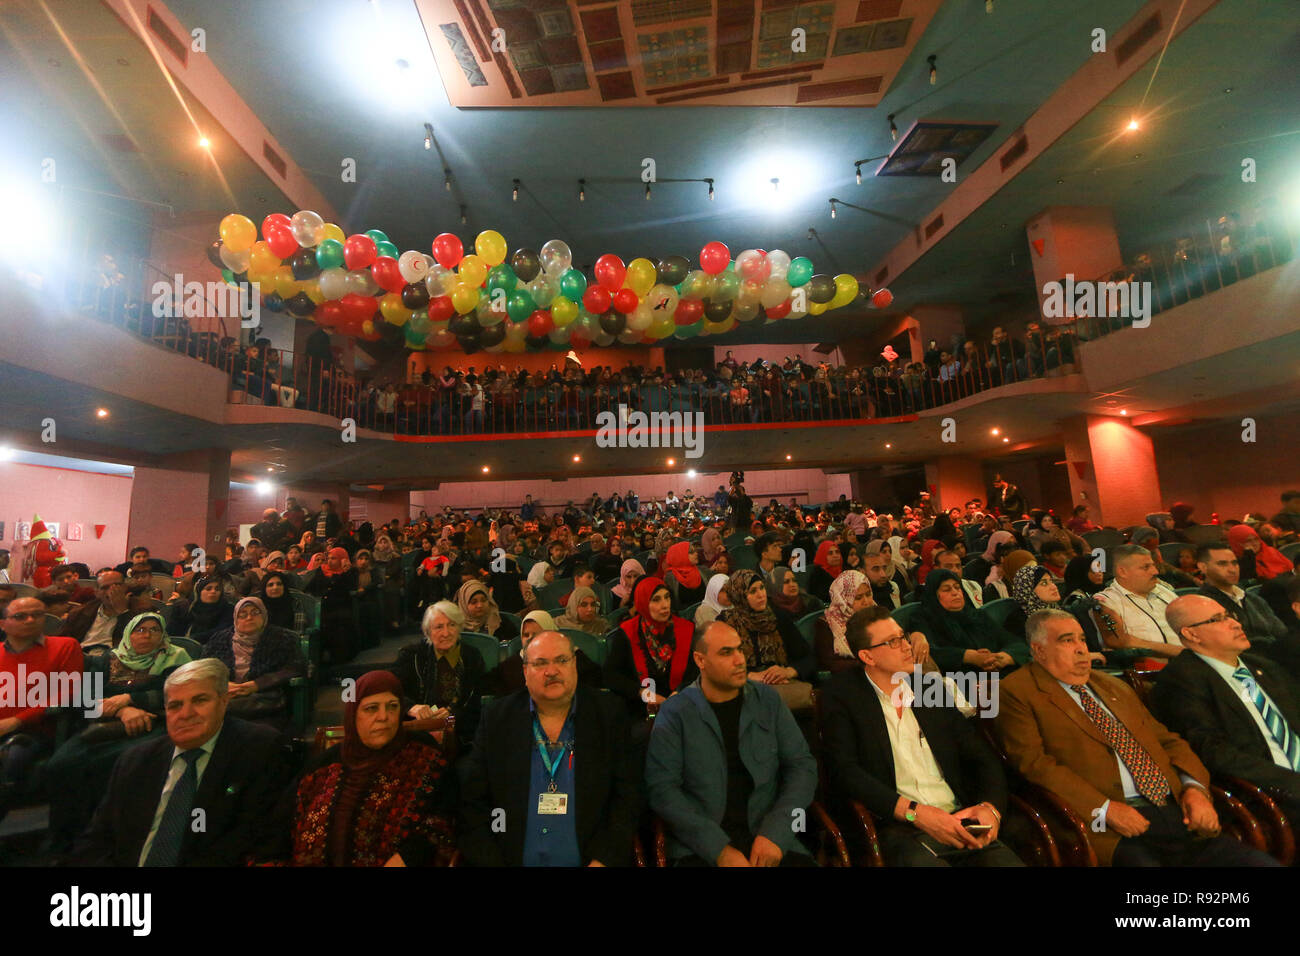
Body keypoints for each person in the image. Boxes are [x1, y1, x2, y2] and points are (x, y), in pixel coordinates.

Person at [994, 609, 1277, 867]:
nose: (1081, 649)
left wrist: (1195, 789)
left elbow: (1169, 741)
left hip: (1175, 808)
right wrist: (1104, 810)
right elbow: (1034, 764)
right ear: (1039, 650)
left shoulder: (1113, 684)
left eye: (1082, 638)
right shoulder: (1017, 691)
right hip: (1108, 824)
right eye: (1067, 641)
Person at [821, 606, 1022, 867]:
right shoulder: (842, 696)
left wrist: (991, 808)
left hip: (959, 817)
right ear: (867, 656)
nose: (906, 646)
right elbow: (845, 771)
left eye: (903, 636)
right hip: (900, 827)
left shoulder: (929, 687)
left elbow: (980, 755)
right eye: (892, 642)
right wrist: (915, 814)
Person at [77, 658, 294, 866]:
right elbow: (97, 841)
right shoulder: (136, 761)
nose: (186, 714)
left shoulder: (259, 751)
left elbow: (260, 842)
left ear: (223, 701)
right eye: (175, 705)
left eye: (200, 700)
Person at [457, 630, 640, 866]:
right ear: (525, 672)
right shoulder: (497, 719)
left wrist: (604, 859)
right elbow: (473, 804)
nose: (552, 671)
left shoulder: (608, 714)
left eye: (561, 661)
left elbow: (628, 797)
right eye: (540, 663)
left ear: (575, 664)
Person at [645, 620, 818, 866]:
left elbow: (802, 767)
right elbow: (662, 791)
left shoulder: (767, 701)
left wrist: (776, 833)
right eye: (726, 652)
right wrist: (719, 850)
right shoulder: (676, 713)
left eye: (739, 649)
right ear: (700, 660)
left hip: (769, 836)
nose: (740, 660)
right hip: (701, 848)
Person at [44, 612, 191, 853]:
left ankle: (107, 840)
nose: (147, 635)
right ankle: (65, 839)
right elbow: (84, 701)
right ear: (128, 633)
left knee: (118, 766)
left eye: (155, 629)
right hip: (100, 729)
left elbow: (174, 695)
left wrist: (131, 699)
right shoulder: (104, 661)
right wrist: (122, 712)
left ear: (163, 634)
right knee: (61, 765)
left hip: (151, 727)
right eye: (140, 629)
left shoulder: (176, 658)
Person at [280, 670, 456, 866]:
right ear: (353, 714)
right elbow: (278, 830)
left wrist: (408, 858)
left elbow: (443, 823)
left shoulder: (424, 757)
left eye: (392, 706)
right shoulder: (322, 767)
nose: (384, 717)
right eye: (372, 708)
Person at [1150, 596, 1300, 818]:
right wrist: (1291, 781)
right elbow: (1213, 752)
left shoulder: (1262, 666)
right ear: (1191, 634)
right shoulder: (1181, 681)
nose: (1235, 623)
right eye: (1218, 619)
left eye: (1230, 615)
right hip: (1267, 791)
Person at [0, 597, 84, 823]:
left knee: (12, 757)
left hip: (33, 731)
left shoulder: (65, 646)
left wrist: (16, 721)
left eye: (37, 615)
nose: (30, 620)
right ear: (3, 623)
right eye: (20, 616)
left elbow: (69, 694)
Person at [200, 597, 305, 730]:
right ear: (235, 619)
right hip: (226, 701)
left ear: (264, 614)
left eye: (255, 613)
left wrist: (257, 684)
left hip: (265, 704)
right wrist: (223, 685)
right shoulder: (219, 639)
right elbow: (204, 668)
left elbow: (295, 666)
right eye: (242, 615)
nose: (249, 618)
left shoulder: (282, 637)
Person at [717, 570, 815, 711]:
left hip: (783, 688)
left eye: (762, 588)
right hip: (743, 688)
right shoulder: (726, 623)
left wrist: (788, 671)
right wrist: (750, 675)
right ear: (739, 595)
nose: (761, 595)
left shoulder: (778, 618)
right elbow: (719, 665)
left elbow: (808, 658)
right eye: (753, 591)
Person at [604, 577, 697, 722]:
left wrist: (678, 692)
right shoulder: (627, 632)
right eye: (656, 600)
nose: (665, 605)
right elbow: (611, 675)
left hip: (682, 703)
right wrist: (643, 693)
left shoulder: (685, 628)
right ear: (643, 603)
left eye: (667, 597)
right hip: (640, 709)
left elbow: (695, 671)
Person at [390, 601, 486, 742]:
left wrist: (453, 713)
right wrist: (411, 707)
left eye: (452, 625)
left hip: (460, 727)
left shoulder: (472, 656)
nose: (446, 633)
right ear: (428, 631)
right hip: (419, 729)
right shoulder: (411, 655)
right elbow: (390, 689)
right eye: (439, 627)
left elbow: (478, 697)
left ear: (459, 627)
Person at [913, 569, 1028, 677]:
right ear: (934, 595)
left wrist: (1003, 657)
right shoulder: (924, 618)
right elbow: (932, 654)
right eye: (947, 589)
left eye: (958, 588)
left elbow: (1015, 642)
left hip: (997, 675)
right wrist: (969, 656)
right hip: (958, 683)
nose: (955, 593)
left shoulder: (978, 615)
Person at [1093, 544, 1183, 663]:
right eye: (1146, 567)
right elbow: (1118, 640)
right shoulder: (1106, 601)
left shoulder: (1164, 592)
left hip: (1195, 662)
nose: (1155, 571)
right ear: (1123, 572)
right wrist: (1178, 651)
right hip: (1152, 672)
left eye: (1153, 565)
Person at [1195, 543, 1288, 649]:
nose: (1232, 569)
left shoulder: (1253, 599)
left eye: (1234, 563)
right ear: (1203, 567)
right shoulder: (1204, 606)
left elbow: (1282, 633)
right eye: (1222, 564)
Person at [302, 547, 360, 667]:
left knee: (338, 622)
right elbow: (309, 588)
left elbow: (350, 587)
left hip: (340, 606)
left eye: (333, 558)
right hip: (321, 606)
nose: (329, 561)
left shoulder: (350, 572)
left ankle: (339, 658)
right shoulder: (321, 571)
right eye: (328, 558)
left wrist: (345, 572)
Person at [61, 570, 137, 650]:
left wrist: (123, 612)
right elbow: (63, 641)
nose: (110, 591)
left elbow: (135, 643)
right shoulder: (80, 612)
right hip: (83, 654)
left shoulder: (142, 609)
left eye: (116, 586)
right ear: (97, 592)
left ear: (125, 587)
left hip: (115, 657)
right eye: (105, 588)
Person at [815, 570, 872, 674]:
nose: (866, 602)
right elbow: (829, 663)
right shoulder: (827, 624)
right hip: (849, 677)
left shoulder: (875, 616)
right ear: (843, 600)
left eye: (868, 594)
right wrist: (866, 663)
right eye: (858, 598)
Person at [165, 576, 235, 643]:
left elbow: (221, 631)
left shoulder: (227, 609)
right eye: (208, 589)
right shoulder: (184, 608)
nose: (213, 591)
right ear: (198, 592)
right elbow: (171, 632)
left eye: (217, 589)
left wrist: (192, 639)